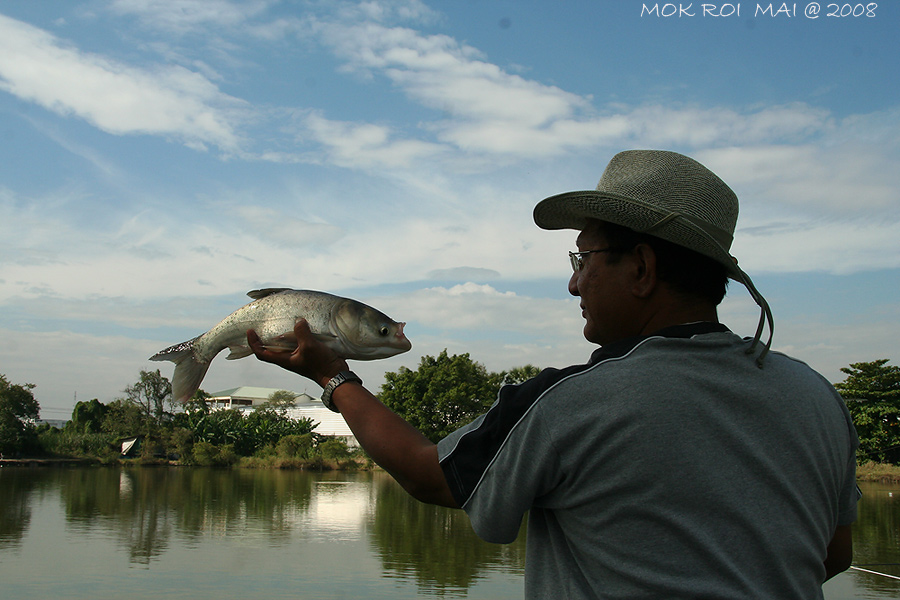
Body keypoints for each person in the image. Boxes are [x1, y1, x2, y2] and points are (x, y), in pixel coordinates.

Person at [248, 150, 859, 599]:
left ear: (641, 268)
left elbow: (431, 476)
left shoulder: (571, 401)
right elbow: (832, 555)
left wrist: (335, 378)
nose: (573, 283)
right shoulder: (817, 397)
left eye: (582, 259)